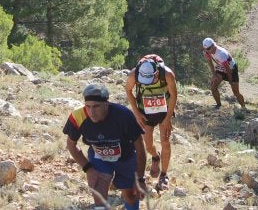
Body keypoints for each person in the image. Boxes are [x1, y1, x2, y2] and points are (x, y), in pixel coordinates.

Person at [63, 84, 146, 210]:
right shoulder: (77, 116)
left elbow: (140, 146)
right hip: (99, 157)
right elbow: (71, 144)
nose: (91, 112)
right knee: (99, 197)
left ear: (106, 104)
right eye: (88, 106)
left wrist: (140, 179)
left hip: (125, 157)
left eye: (96, 106)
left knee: (130, 195)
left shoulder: (123, 115)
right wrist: (88, 168)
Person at [125, 54, 177, 191]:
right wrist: (136, 113)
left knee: (165, 141)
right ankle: (155, 157)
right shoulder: (134, 75)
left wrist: (168, 118)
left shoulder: (167, 74)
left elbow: (173, 95)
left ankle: (164, 175)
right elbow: (128, 90)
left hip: (164, 111)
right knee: (147, 145)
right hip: (145, 112)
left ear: (156, 72)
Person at [202, 37, 246, 109]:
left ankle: (244, 107)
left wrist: (231, 81)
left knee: (236, 92)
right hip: (221, 68)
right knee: (213, 87)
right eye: (206, 49)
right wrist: (214, 75)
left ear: (213, 45)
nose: (207, 51)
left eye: (209, 48)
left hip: (231, 69)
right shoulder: (207, 52)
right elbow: (210, 63)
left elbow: (228, 70)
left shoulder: (221, 54)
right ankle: (218, 105)